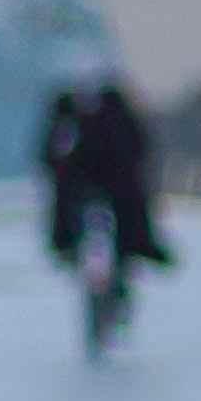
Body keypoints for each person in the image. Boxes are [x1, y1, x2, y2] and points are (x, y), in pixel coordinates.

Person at [42, 72, 167, 355]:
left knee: (123, 226)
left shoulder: (72, 113)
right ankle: (120, 261)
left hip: (101, 193)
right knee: (126, 226)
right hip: (96, 194)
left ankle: (99, 260)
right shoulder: (110, 111)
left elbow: (48, 156)